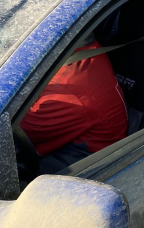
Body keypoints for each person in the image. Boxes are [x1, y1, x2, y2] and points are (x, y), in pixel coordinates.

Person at [20, 36, 128, 173]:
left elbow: (13, 138)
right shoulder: (84, 46)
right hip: (88, 134)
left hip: (89, 161)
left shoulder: (65, 91)